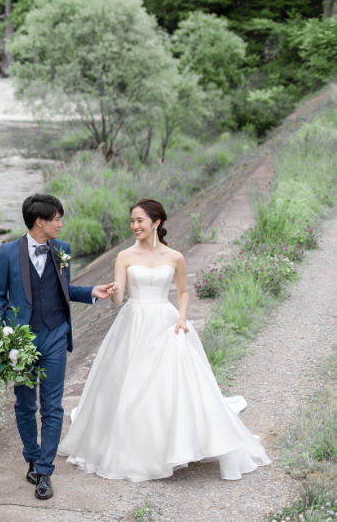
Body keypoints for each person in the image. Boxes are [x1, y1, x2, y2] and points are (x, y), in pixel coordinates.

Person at [57, 198, 271, 481]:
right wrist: (113, 293)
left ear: (156, 223)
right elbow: (119, 298)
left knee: (170, 385)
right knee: (129, 384)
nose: (135, 226)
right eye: (132, 221)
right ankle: (135, 449)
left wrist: (182, 319)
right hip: (133, 323)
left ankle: (175, 444)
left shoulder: (175, 257)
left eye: (140, 221)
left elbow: (182, 292)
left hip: (166, 321)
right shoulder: (124, 256)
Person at [0, 194, 118, 501]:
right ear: (40, 222)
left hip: (55, 334)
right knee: (24, 404)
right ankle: (32, 457)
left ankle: (45, 472)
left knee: (52, 405)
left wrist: (91, 292)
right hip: (20, 339)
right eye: (57, 218)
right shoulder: (8, 253)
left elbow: (63, 290)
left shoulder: (63, 250)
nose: (61, 224)